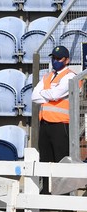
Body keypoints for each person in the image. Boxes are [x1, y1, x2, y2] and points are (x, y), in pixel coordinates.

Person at [31, 45, 76, 194]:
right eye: (54, 58)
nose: (55, 61)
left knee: (61, 161)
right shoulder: (47, 76)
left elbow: (56, 94)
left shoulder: (70, 76)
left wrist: (46, 94)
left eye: (59, 58)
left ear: (67, 60)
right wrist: (48, 94)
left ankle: (63, 196)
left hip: (61, 125)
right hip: (45, 124)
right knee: (45, 159)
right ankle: (46, 194)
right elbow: (34, 96)